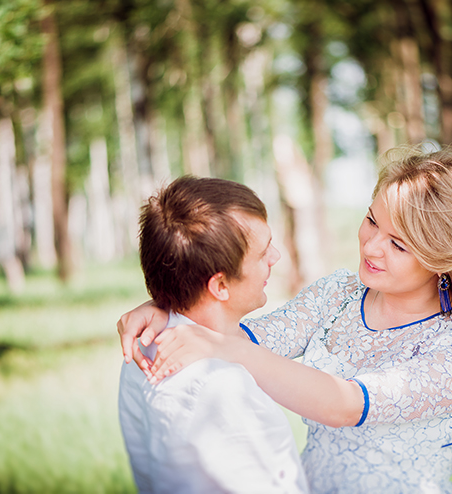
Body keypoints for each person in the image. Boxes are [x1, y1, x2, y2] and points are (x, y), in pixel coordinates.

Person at [118, 147, 452, 493]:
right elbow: (251, 336)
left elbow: (345, 406)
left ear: (444, 258)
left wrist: (227, 346)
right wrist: (170, 305)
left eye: (399, 244)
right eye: (371, 220)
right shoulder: (338, 292)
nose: (372, 245)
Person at [117, 176, 309, 494]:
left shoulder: (143, 347)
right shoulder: (225, 388)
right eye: (262, 254)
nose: (275, 256)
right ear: (219, 285)